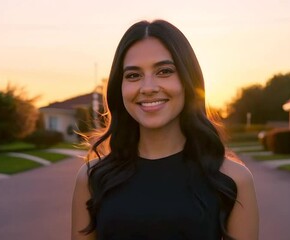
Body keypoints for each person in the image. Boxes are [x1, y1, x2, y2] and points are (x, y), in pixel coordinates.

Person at [71, 19, 259, 240]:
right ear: (118, 88)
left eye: (164, 71)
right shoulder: (93, 178)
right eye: (133, 75)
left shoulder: (233, 179)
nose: (148, 87)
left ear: (188, 80)